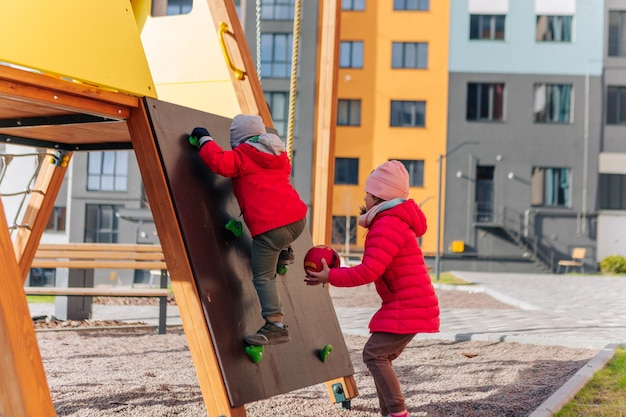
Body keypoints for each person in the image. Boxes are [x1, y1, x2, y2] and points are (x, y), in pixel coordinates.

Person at [304, 160, 439, 417]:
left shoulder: (387, 224)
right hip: (409, 302)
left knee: (374, 354)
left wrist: (329, 276)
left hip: (410, 304)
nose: (364, 197)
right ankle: (390, 412)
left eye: (367, 193)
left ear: (379, 196)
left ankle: (397, 412)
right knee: (378, 355)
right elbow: (375, 264)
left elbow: (369, 272)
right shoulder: (391, 221)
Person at [189, 114, 307, 345]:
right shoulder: (279, 155)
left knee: (263, 276)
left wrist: (205, 139)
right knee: (281, 233)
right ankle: (286, 252)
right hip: (297, 221)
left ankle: (276, 324)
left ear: (238, 140)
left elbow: (220, 163)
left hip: (270, 230)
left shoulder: (244, 155)